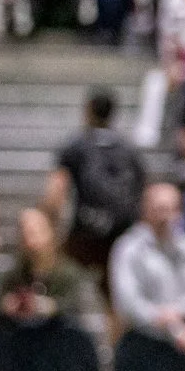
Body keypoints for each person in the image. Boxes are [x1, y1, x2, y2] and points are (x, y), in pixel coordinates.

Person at [43, 87, 146, 274]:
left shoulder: (75, 146)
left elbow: (56, 191)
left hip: (84, 233)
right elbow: (143, 190)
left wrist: (50, 229)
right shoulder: (129, 149)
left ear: (88, 110)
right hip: (122, 235)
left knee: (73, 280)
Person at [109, 182, 185, 352]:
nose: (166, 217)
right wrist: (172, 327)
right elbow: (128, 304)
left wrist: (179, 311)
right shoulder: (128, 248)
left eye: (172, 209)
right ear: (144, 210)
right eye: (160, 209)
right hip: (144, 342)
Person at [0, 207, 102, 326]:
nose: (30, 241)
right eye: (24, 234)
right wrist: (6, 304)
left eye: (34, 233)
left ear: (50, 233)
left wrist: (50, 307)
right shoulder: (16, 272)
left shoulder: (69, 273)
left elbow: (77, 306)